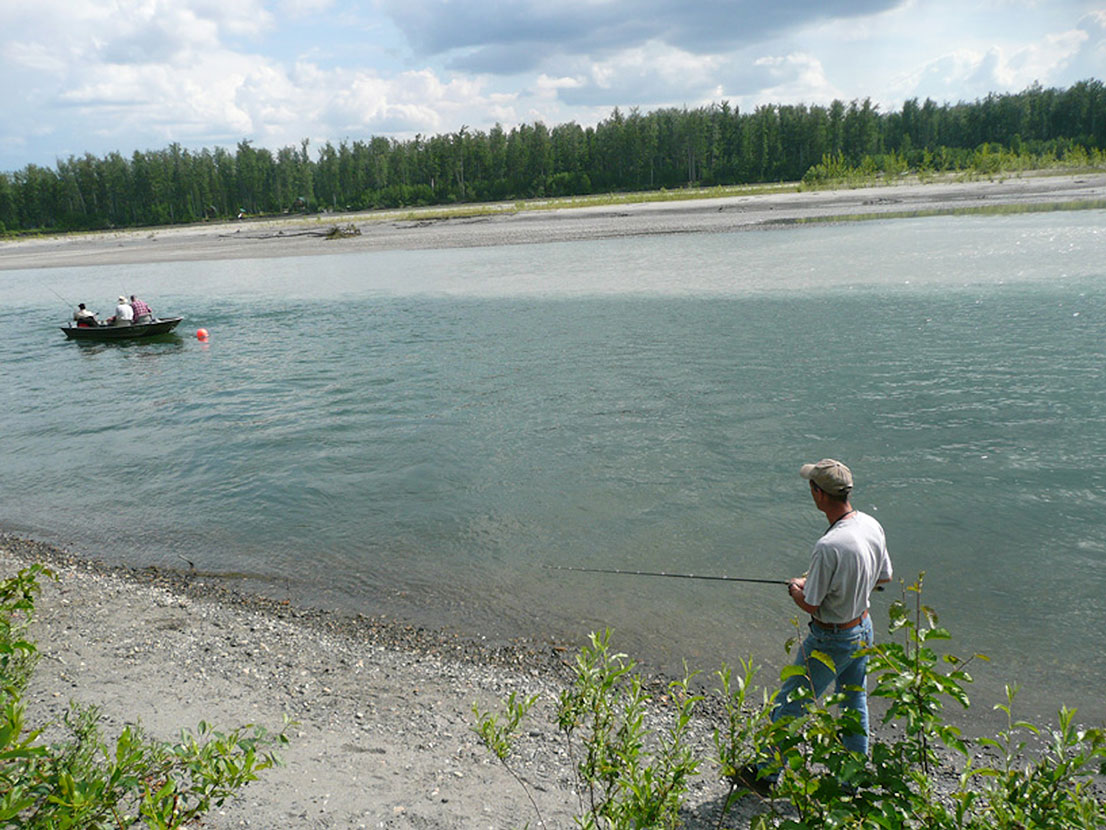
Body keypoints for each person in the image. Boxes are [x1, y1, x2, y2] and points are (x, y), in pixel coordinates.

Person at [738, 458, 892, 796]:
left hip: (831, 639)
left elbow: (810, 602)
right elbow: (883, 577)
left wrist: (796, 588)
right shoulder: (870, 524)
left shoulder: (829, 546)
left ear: (818, 494)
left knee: (790, 702)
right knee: (854, 704)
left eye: (812, 486)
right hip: (864, 628)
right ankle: (852, 782)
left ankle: (764, 775)